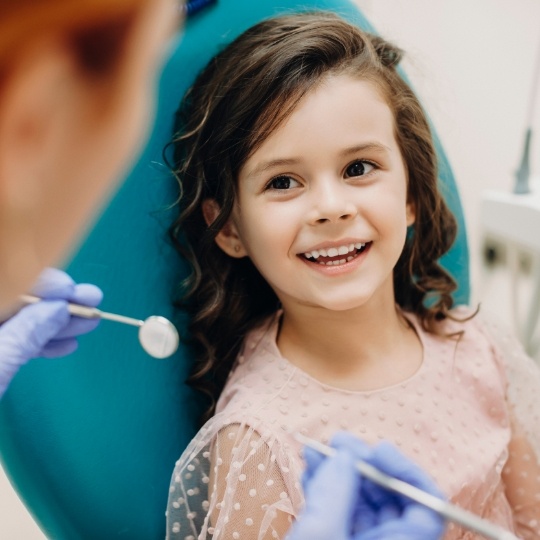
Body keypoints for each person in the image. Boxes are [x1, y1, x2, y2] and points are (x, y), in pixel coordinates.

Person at [165, 11, 540, 539]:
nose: (330, 207)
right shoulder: (260, 442)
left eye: (358, 168)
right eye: (283, 181)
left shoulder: (478, 351)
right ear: (229, 228)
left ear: (410, 193)